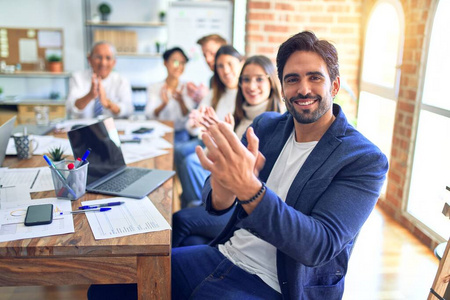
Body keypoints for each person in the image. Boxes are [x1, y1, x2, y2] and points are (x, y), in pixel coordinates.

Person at [86, 31, 388, 300]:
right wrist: (222, 189)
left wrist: (249, 189)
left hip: (276, 285)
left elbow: (318, 245)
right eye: (292, 79)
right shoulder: (267, 126)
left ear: (334, 84)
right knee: (105, 287)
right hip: (224, 256)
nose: (303, 89)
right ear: (282, 89)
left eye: (315, 77)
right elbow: (215, 199)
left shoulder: (363, 159)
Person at [172, 55, 284, 247]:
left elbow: (254, 173)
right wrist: (219, 139)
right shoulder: (241, 116)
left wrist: (226, 141)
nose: (251, 86)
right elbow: (221, 165)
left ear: (272, 82)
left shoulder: (274, 122)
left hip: (247, 209)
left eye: (259, 79)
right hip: (228, 200)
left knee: (180, 220)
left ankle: (157, 276)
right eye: (246, 79)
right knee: (192, 241)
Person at [176, 45, 244, 208]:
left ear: (241, 64)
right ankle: (189, 196)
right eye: (220, 66)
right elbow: (191, 125)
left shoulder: (245, 94)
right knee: (178, 151)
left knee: (190, 162)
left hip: (224, 146)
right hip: (206, 140)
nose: (225, 70)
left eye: (230, 64)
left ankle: (200, 204)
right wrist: (195, 123)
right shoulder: (215, 93)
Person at [66, 41, 134, 119]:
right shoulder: (77, 78)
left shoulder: (122, 81)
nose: (103, 63)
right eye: (98, 57)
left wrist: (108, 104)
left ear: (114, 62)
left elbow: (128, 110)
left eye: (108, 58)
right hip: (84, 128)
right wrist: (90, 95)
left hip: (114, 128)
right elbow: (70, 108)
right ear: (89, 59)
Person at [145, 47, 195, 143]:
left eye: (182, 63)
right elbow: (150, 115)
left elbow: (189, 117)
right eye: (175, 62)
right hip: (159, 132)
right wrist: (163, 104)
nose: (179, 66)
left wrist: (181, 101)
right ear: (165, 63)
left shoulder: (188, 87)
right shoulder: (154, 87)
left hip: (181, 134)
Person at [186, 34, 227, 104]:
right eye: (205, 55)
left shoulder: (236, 80)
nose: (208, 59)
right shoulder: (212, 80)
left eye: (212, 53)